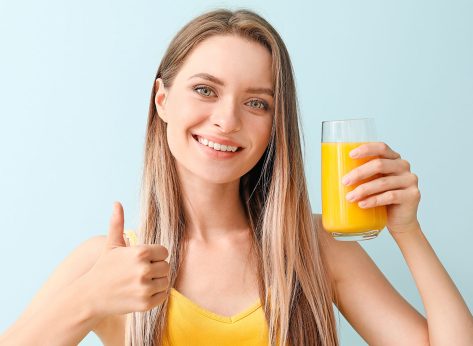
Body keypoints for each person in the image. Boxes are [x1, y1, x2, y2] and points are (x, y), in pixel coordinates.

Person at [1, 8, 472, 346]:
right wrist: (88, 298)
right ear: (162, 101)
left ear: (274, 125)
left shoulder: (314, 248)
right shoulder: (110, 261)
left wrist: (406, 230)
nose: (227, 120)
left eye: (256, 102)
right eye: (205, 90)